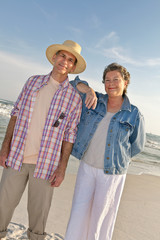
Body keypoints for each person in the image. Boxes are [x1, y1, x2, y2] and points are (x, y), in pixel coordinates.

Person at [0, 40, 86, 240]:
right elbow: (15, 114)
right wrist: (5, 147)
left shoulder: (74, 98)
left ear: (73, 67)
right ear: (55, 57)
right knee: (2, 206)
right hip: (16, 157)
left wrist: (62, 168)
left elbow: (69, 135)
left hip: (46, 165)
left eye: (70, 59)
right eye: (62, 56)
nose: (65, 61)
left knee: (39, 218)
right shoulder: (32, 82)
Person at [65, 63, 146, 240]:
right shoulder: (94, 101)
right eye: (107, 80)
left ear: (125, 82)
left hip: (112, 174)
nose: (111, 83)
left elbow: (137, 145)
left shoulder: (134, 113)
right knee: (78, 212)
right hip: (87, 167)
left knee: (101, 219)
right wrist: (89, 91)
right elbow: (73, 83)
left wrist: (117, 158)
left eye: (116, 79)